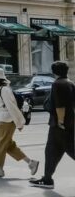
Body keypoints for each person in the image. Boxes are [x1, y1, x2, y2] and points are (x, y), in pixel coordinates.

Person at [0, 66, 37, 178]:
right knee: (8, 146)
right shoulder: (1, 89)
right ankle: (31, 163)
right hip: (4, 121)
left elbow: (12, 107)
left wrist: (19, 123)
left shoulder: (4, 90)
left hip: (5, 122)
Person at [30, 60, 75, 189]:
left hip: (59, 125)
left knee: (64, 150)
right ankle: (47, 179)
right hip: (69, 123)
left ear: (54, 71)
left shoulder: (57, 84)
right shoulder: (70, 83)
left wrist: (60, 121)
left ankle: (47, 180)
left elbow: (60, 106)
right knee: (52, 151)